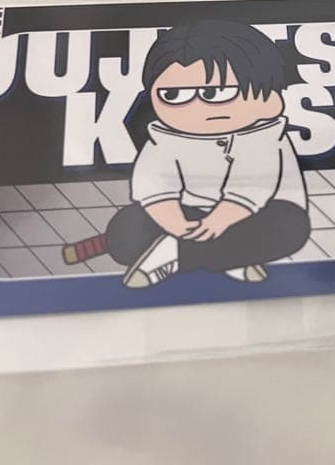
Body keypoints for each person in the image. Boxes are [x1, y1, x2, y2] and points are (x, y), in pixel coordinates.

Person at [64, 20, 310, 287]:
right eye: (173, 95)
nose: (196, 107)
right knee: (127, 227)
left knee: (290, 228)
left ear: (270, 101)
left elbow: (252, 191)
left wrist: (217, 221)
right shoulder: (164, 138)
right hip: (195, 216)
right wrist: (175, 223)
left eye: (215, 93)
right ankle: (231, 258)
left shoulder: (264, 137)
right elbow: (154, 186)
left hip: (259, 212)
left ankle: (174, 253)